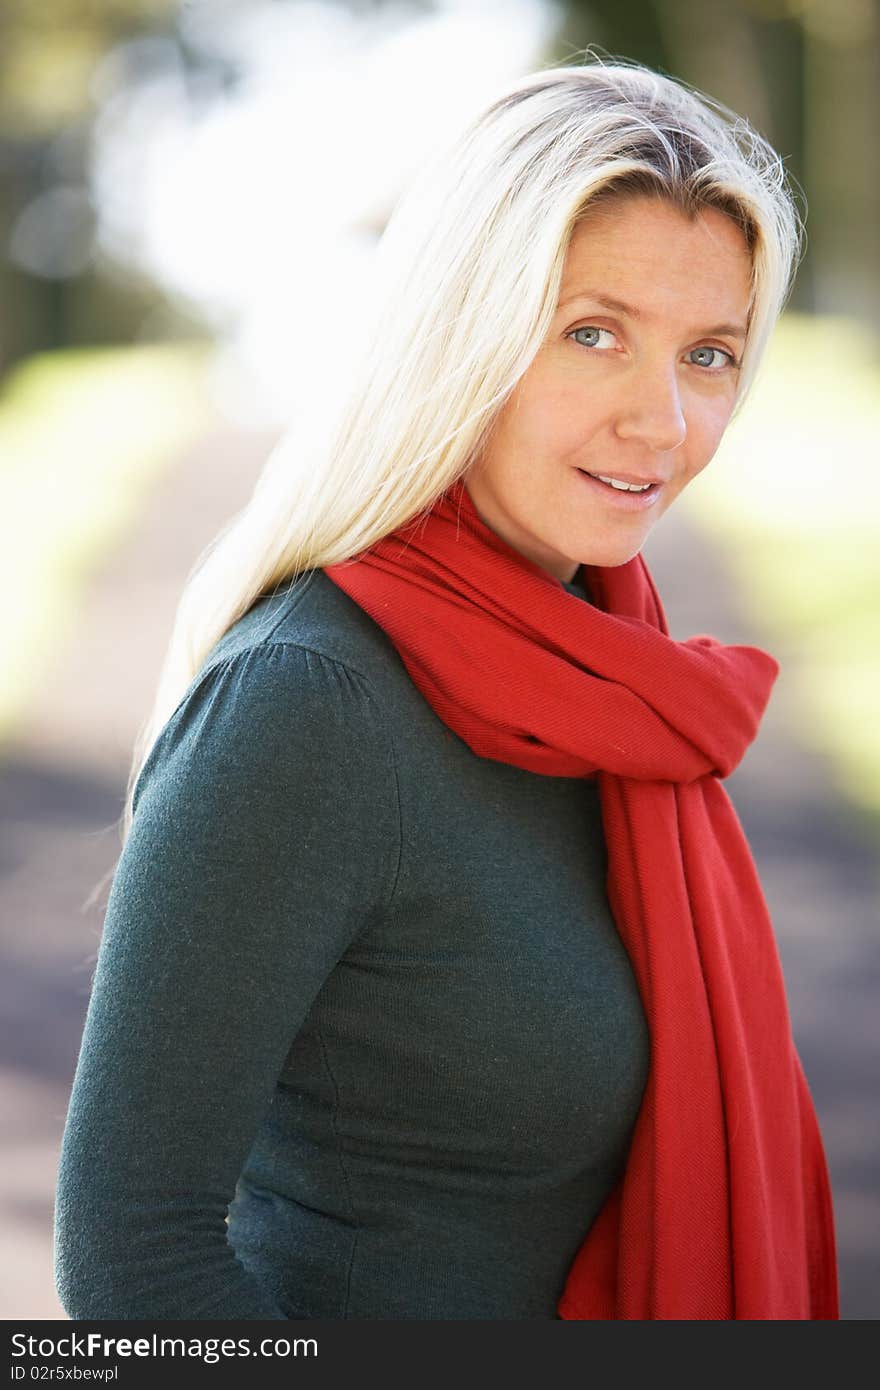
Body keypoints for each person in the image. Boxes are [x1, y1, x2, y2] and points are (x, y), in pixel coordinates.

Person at [54, 55, 839, 1321]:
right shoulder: (309, 703)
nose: (663, 419)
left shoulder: (618, 688)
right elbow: (134, 1262)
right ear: (459, 332)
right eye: (593, 333)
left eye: (708, 354)